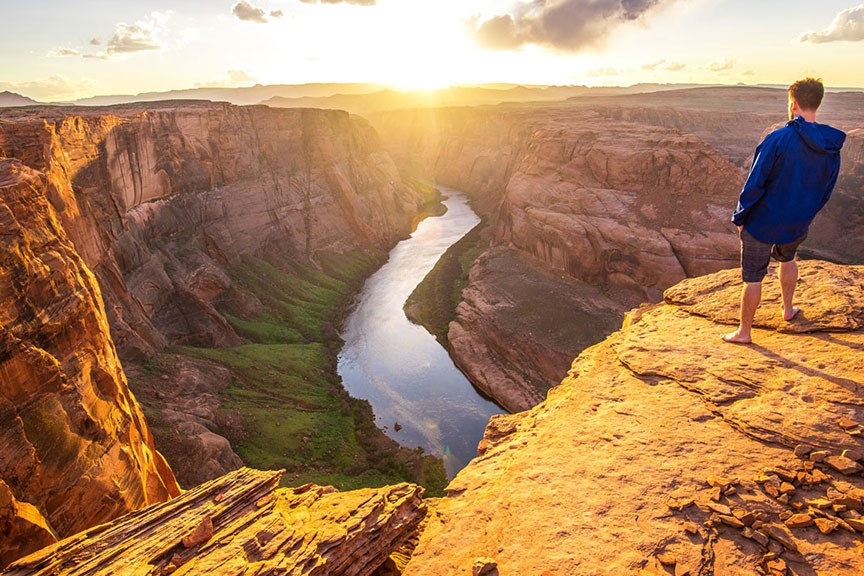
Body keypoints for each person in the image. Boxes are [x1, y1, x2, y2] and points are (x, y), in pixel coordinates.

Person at [723, 78, 846, 344]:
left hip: (763, 220)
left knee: (753, 277)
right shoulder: (830, 145)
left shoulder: (779, 138)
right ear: (817, 103)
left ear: (793, 103)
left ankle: (744, 332)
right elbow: (826, 189)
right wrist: (807, 213)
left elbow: (755, 182)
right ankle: (788, 309)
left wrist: (741, 217)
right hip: (798, 220)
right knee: (788, 259)